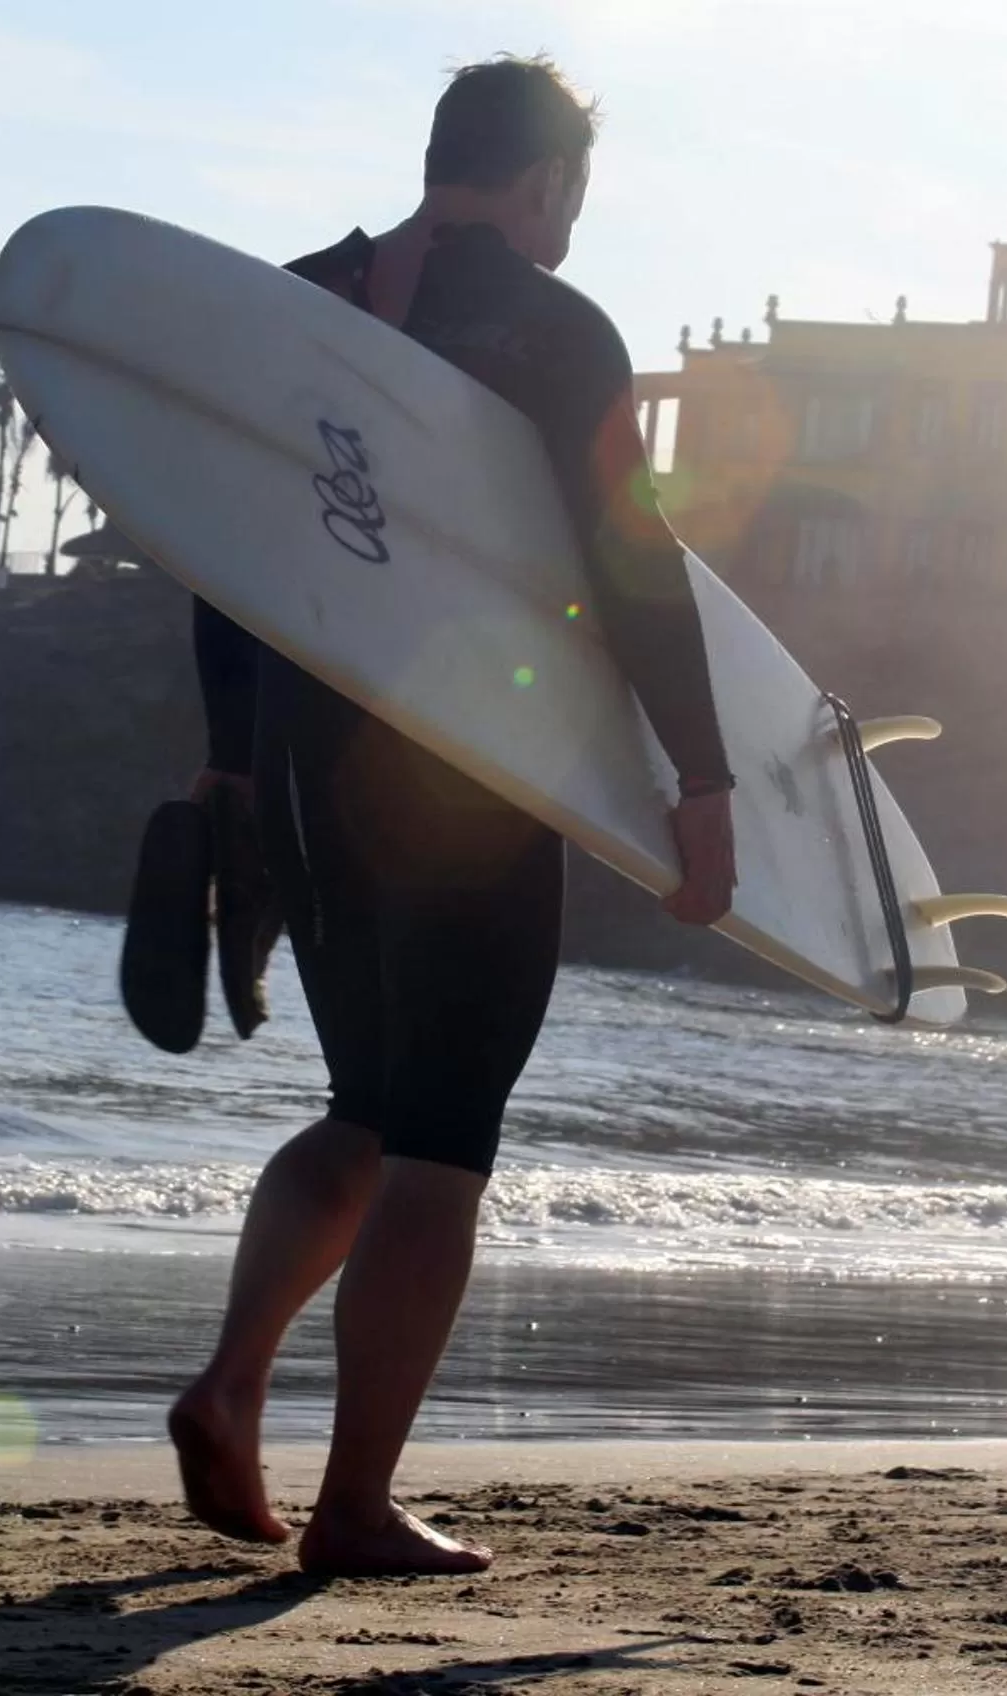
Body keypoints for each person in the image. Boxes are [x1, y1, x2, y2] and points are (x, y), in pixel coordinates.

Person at [167, 53, 738, 1578]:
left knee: (366, 1104)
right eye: (575, 196)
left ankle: (229, 1386)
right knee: (442, 1141)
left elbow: (219, 553)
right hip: (468, 777)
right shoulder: (555, 332)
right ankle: (354, 1506)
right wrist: (705, 778)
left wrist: (232, 765)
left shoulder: (300, 299)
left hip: (302, 749)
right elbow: (631, 564)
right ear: (548, 182)